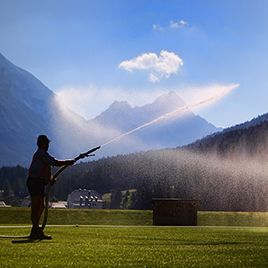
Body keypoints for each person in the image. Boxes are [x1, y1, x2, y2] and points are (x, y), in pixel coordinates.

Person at [27, 135, 75, 240]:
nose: (48, 145)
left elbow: (46, 168)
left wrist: (49, 180)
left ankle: (36, 230)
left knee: (41, 206)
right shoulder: (41, 153)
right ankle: (35, 230)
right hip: (34, 182)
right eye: (47, 143)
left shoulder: (42, 154)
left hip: (38, 182)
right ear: (44, 144)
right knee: (36, 206)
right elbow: (55, 163)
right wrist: (68, 162)